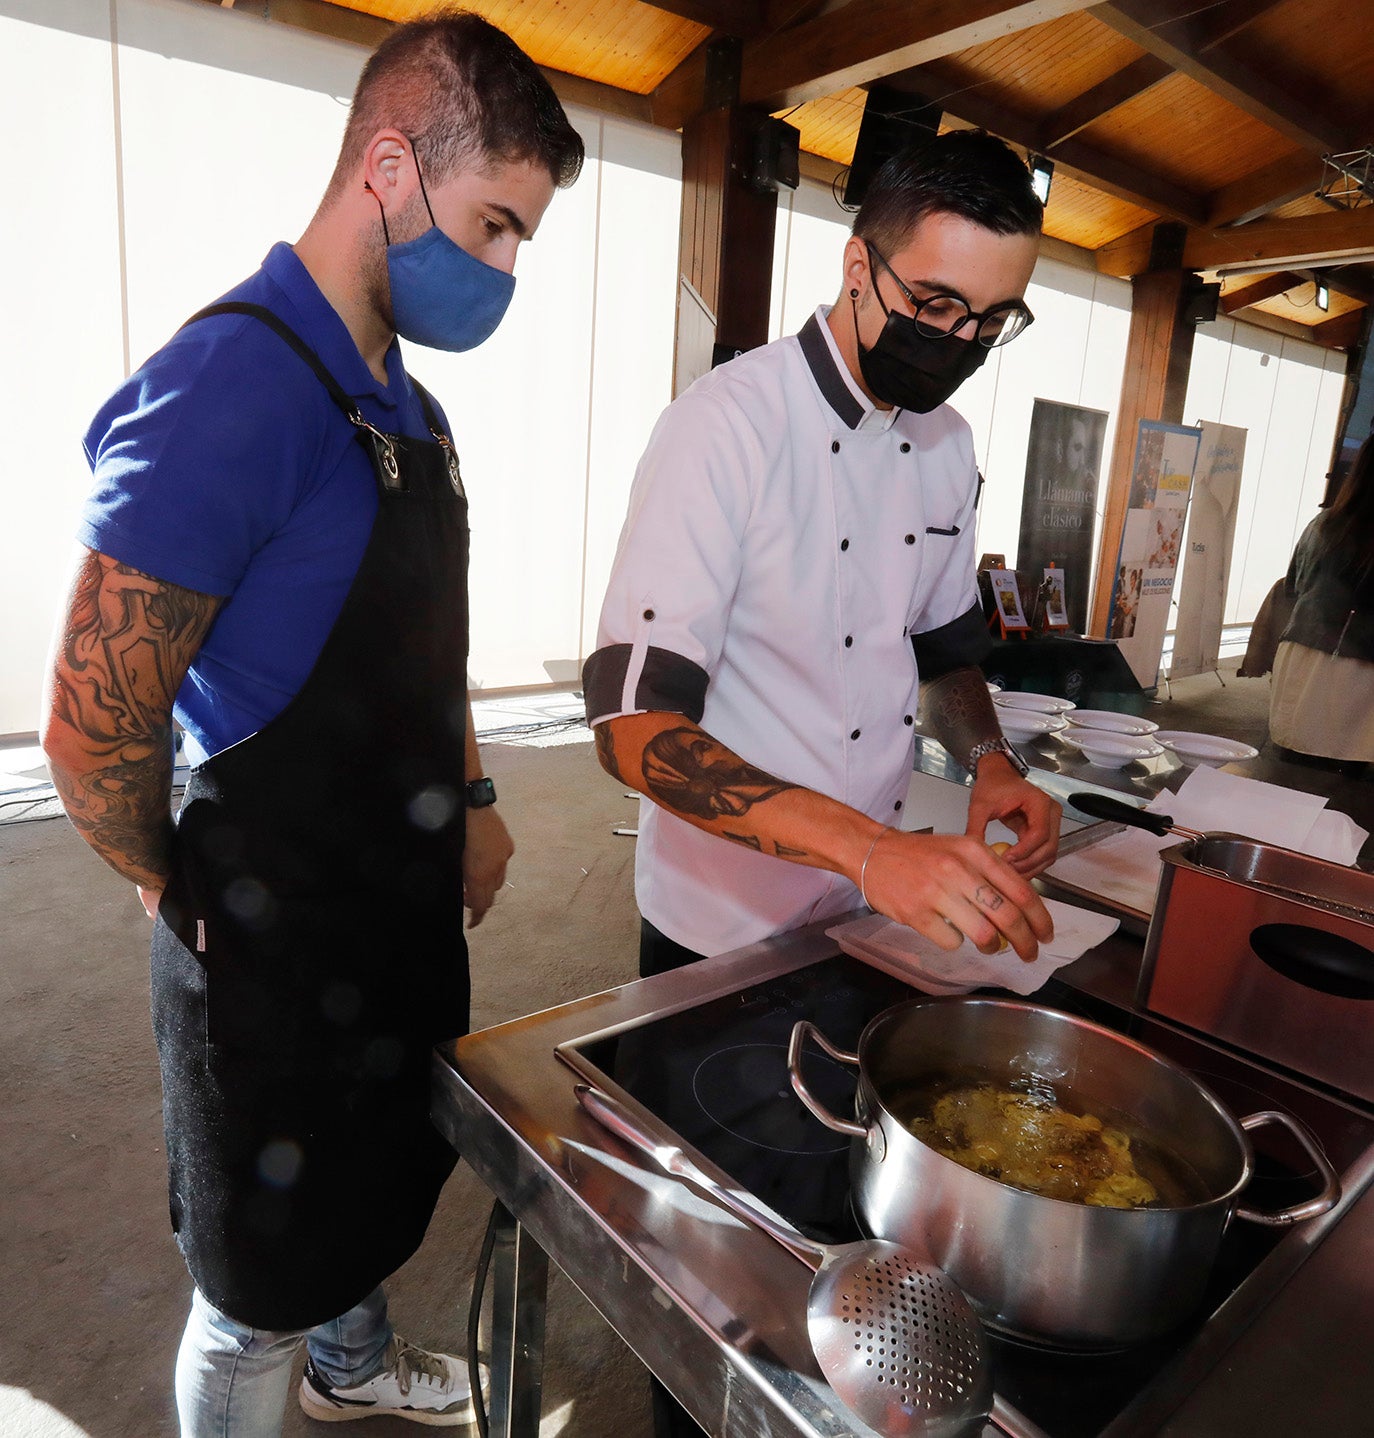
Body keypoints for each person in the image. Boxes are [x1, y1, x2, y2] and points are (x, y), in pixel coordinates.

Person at [40, 13, 583, 1435]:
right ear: (386, 167)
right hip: (268, 941)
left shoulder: (413, 409)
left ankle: (351, 1366)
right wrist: (172, 878)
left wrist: (467, 800)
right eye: (493, 225)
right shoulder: (230, 388)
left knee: (369, 1185)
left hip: (390, 911)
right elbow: (93, 730)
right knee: (254, 1278)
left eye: (522, 236)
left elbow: (426, 645)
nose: (504, 268)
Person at [583, 129, 1059, 1436]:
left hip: (864, 915)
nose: (956, 338)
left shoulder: (949, 446)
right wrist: (868, 845)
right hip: (719, 924)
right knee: (712, 1269)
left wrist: (989, 760)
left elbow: (945, 639)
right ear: (856, 266)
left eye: (989, 318)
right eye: (931, 304)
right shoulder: (724, 429)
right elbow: (630, 721)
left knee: (839, 1233)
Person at [1269, 432, 1374, 770]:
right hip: (1356, 672)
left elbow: (1293, 586)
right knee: (1345, 787)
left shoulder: (1323, 522)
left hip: (1301, 655)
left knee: (1293, 773)